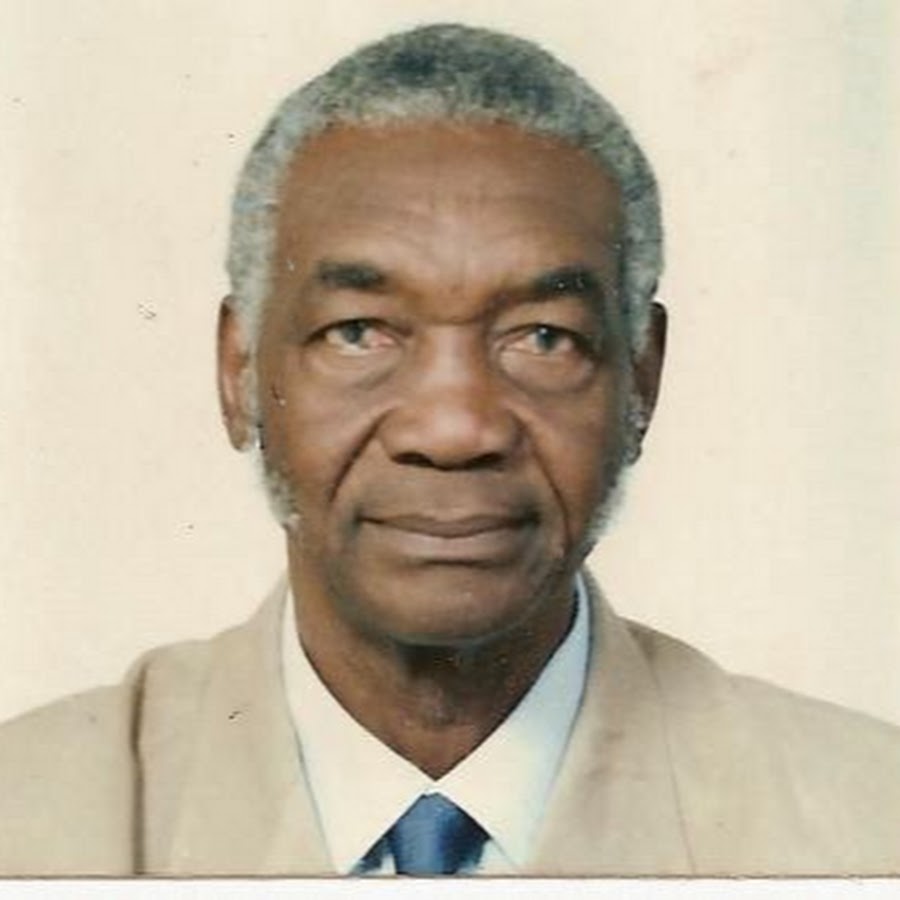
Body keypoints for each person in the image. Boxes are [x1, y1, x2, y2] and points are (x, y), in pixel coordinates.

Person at [0, 23, 898, 877]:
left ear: (642, 382)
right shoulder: (34, 821)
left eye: (543, 337)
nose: (454, 428)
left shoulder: (865, 829)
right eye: (359, 332)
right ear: (239, 373)